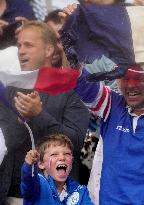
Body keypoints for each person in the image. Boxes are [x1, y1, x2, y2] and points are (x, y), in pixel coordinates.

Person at [0, 21, 90, 205]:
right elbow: (6, 140)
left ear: (49, 50)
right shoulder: (10, 88)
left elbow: (75, 141)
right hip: (12, 196)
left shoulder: (73, 87)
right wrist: (23, 117)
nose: (21, 51)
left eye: (29, 45)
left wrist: (39, 114)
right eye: (19, 45)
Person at [21, 133, 94, 204]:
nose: (62, 158)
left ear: (72, 161)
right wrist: (29, 165)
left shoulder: (81, 191)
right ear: (41, 164)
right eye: (54, 154)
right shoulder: (37, 184)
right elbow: (28, 180)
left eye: (67, 154)